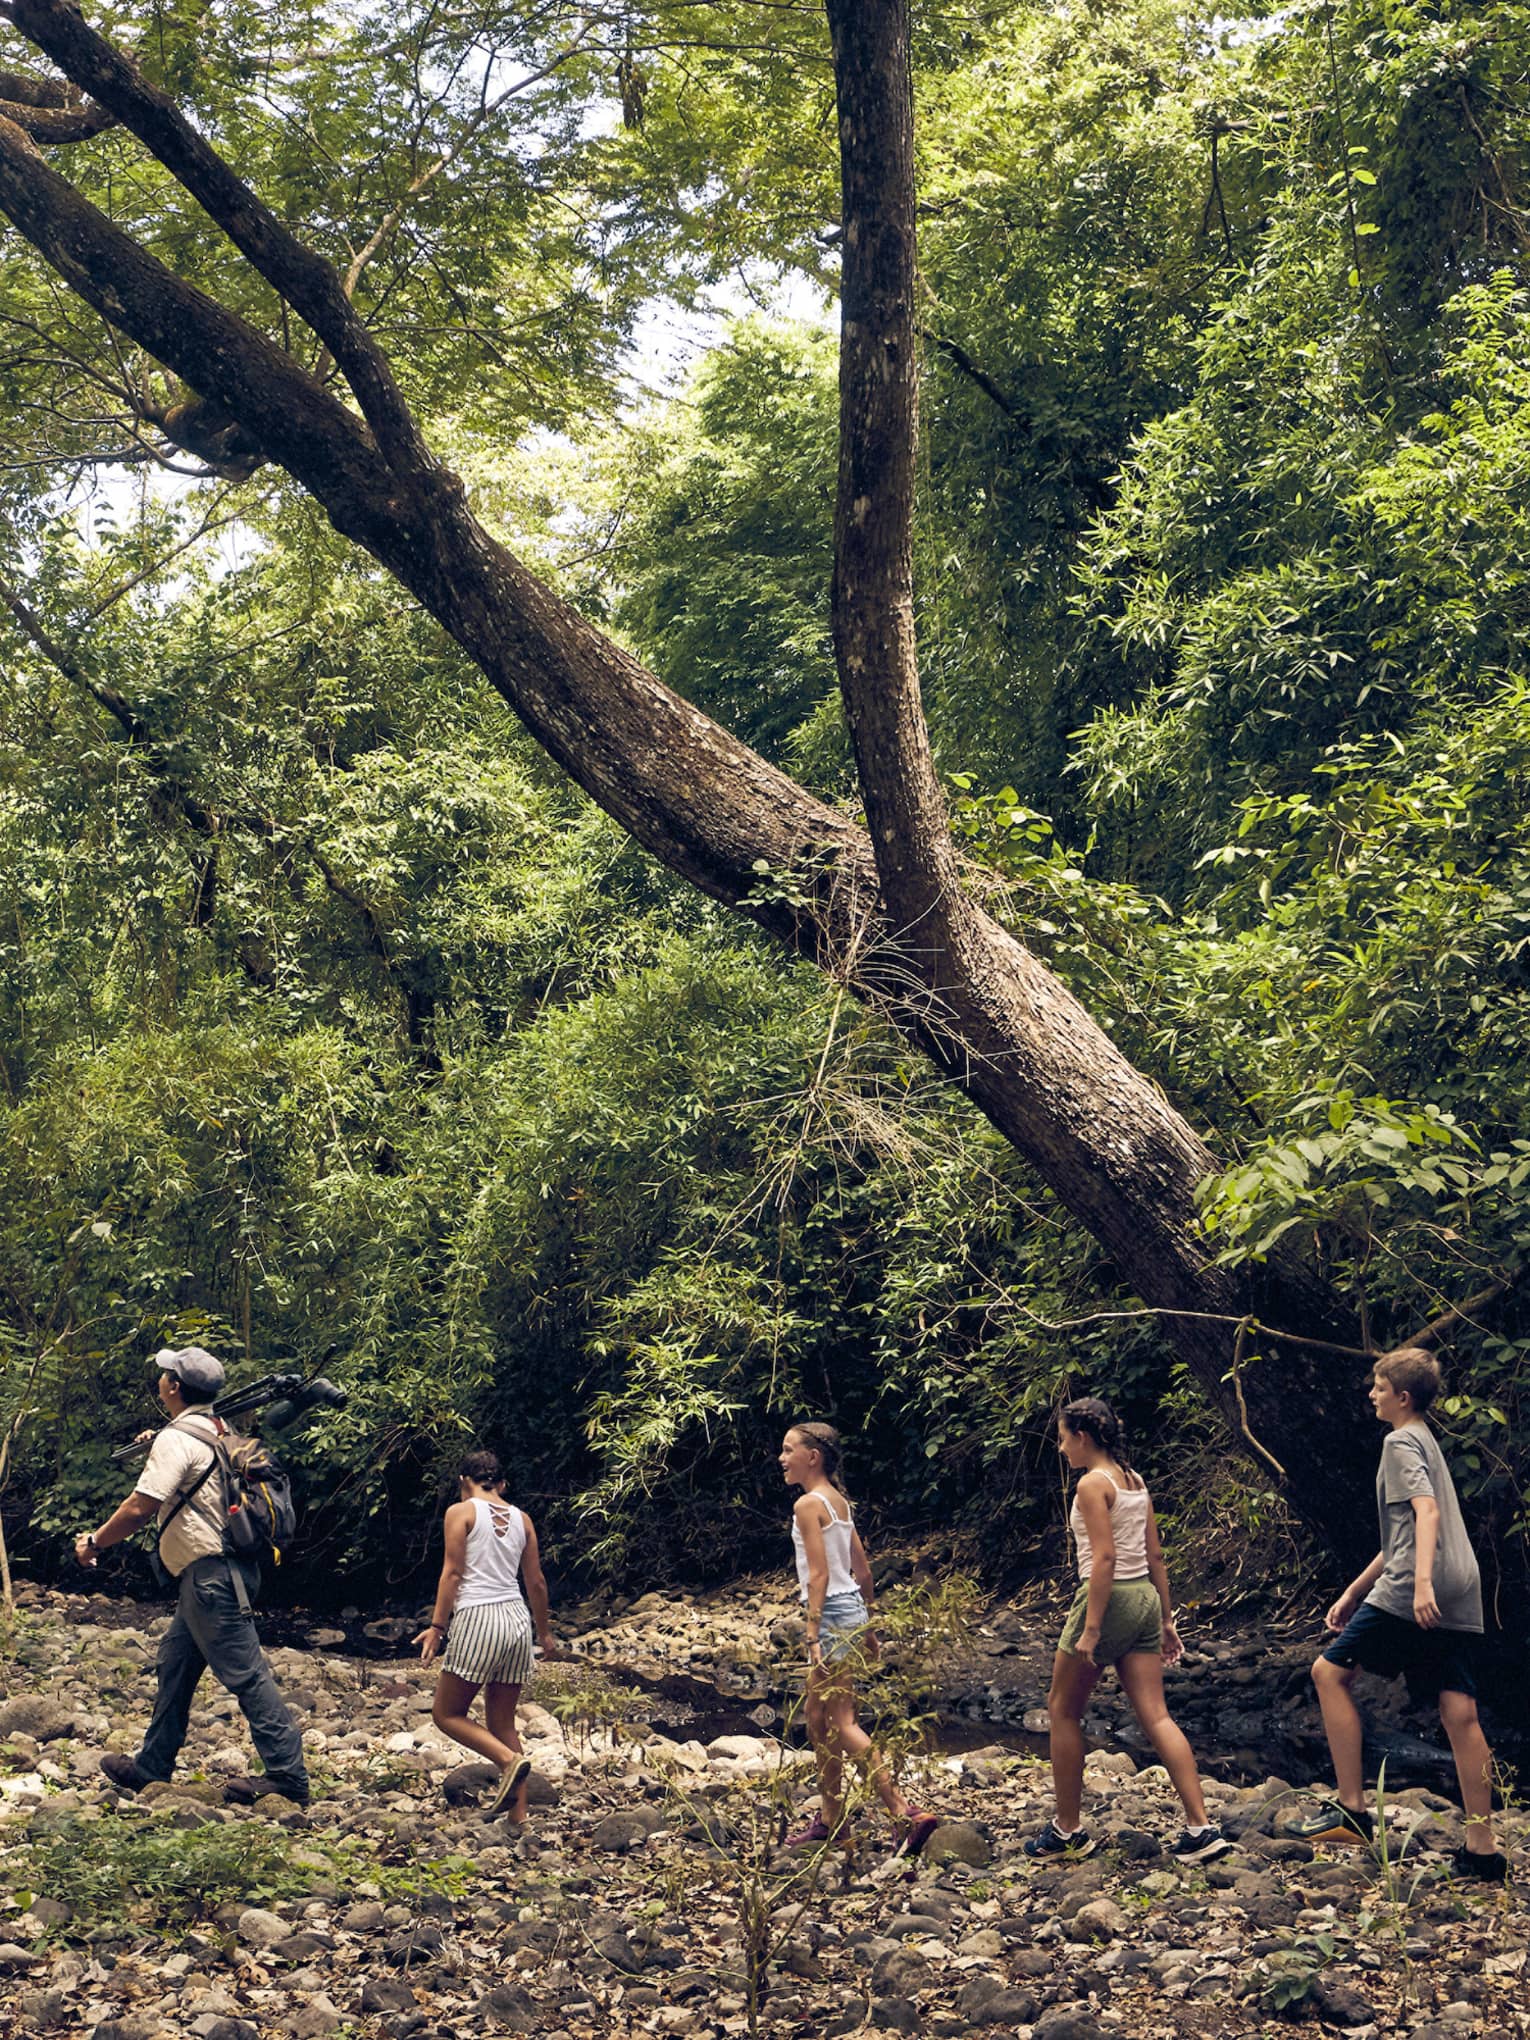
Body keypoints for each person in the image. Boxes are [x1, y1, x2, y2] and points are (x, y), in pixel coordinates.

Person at [1286, 1348, 1506, 1881]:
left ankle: (1351, 1810)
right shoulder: (1426, 1439)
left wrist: (1421, 1585)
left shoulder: (1400, 1442)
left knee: (1328, 1674)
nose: (1372, 1394)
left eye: (1379, 1388)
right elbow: (1402, 1536)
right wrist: (1354, 1591)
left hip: (1418, 1582)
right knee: (1460, 1711)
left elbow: (1425, 1513)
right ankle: (1482, 1850)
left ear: (1402, 1397)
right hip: (1462, 1580)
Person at [75, 1346, 311, 1807]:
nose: (160, 1379)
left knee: (247, 1676)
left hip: (212, 1580)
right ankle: (151, 1766)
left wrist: (95, 1543)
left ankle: (288, 1776)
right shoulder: (217, 1430)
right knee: (176, 1666)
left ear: (174, 1386)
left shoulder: (178, 1438)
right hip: (219, 1575)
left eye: (165, 1374)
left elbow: (140, 1507)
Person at [1026, 1396, 1230, 1861]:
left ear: (1082, 1437)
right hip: (1143, 1597)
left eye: (1062, 1439)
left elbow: (1104, 1558)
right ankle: (1201, 1828)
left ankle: (1067, 1830)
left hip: (1109, 1598)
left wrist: (1092, 1628)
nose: (1061, 1448)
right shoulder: (1134, 1480)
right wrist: (1166, 1619)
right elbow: (1154, 1555)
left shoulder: (1091, 1484)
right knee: (1156, 1715)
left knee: (1061, 1710)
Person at [779, 1421, 938, 1854]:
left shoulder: (807, 1505)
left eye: (789, 1450)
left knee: (841, 1721)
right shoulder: (839, 1502)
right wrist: (867, 1626)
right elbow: (863, 1573)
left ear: (813, 1457)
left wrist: (812, 1634)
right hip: (849, 1609)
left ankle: (903, 1813)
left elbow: (819, 1575)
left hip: (831, 1614)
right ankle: (832, 1818)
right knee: (816, 1717)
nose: (782, 1458)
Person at [413, 1449, 558, 1821]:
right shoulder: (523, 1519)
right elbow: (536, 1582)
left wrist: (437, 1627)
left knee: (446, 1713)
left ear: (464, 1480)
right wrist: (544, 1634)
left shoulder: (460, 1512)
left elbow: (452, 1573)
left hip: (479, 1617)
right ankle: (518, 1818)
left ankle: (507, 1761)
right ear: (502, 1484)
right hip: (517, 1621)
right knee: (502, 1723)